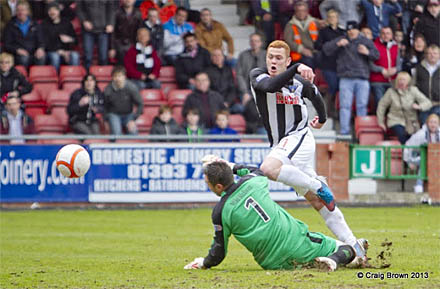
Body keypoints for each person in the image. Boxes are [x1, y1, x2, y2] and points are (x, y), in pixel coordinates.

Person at [249, 40, 368, 265]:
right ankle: (354, 245)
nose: (273, 61)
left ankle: (318, 185)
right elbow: (269, 88)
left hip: (299, 136)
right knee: (317, 202)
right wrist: (296, 69)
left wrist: (321, 119)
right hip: (281, 143)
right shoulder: (258, 75)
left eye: (278, 58)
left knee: (268, 168)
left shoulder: (297, 83)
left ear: (287, 60)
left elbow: (315, 94)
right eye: (270, 57)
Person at [184, 160, 356, 271]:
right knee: (347, 249)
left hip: (272, 263)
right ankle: (334, 260)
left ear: (219, 187)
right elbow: (253, 169)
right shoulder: (255, 180)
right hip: (298, 243)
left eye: (208, 183)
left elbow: (219, 252)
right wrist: (231, 166)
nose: (207, 186)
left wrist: (204, 263)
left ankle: (323, 262)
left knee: (308, 262)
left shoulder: (220, 212)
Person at [323, 21, 379, 135]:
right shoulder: (342, 39)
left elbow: (377, 55)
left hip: (362, 78)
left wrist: (367, 52)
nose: (351, 32)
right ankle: (344, 132)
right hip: (346, 77)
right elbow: (326, 49)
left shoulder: (365, 41)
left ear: (358, 30)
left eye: (353, 30)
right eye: (349, 30)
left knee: (362, 106)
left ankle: (361, 132)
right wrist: (337, 44)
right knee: (344, 106)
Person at [377, 71, 432, 144]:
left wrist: (419, 106)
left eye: (404, 80)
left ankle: (409, 153)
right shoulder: (391, 91)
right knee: (402, 135)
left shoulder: (413, 90)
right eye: (400, 80)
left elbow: (428, 103)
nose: (401, 82)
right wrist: (380, 122)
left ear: (408, 81)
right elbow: (382, 105)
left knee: (416, 137)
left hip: (411, 122)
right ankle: (406, 153)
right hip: (395, 120)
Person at [314, 9, 345, 118]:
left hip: (340, 64)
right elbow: (317, 46)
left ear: (337, 18)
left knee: (338, 88)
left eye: (334, 16)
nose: (332, 19)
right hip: (327, 63)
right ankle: (329, 110)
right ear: (327, 19)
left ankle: (333, 109)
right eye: (330, 17)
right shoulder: (323, 31)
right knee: (333, 86)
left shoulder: (342, 32)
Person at [236, 33, 266, 134]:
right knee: (245, 107)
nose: (254, 43)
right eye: (252, 41)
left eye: (257, 41)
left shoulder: (267, 56)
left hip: (262, 90)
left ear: (261, 43)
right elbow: (239, 75)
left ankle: (259, 129)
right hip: (247, 90)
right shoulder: (243, 55)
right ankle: (251, 129)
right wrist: (244, 92)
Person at [76, 0, 118, 69]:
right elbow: (79, 9)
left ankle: (102, 76)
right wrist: (84, 21)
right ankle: (88, 77)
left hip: (103, 30)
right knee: (88, 57)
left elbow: (111, 9)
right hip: (88, 31)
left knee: (103, 57)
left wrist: (111, 23)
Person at [404, 113, 440, 193]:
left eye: (435, 122)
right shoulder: (421, 134)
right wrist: (409, 161)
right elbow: (408, 145)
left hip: (436, 160)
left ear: (438, 124)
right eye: (431, 122)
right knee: (425, 161)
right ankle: (419, 185)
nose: (433, 124)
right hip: (419, 158)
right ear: (427, 123)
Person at [3, 0, 46, 67]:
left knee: (41, 57)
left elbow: (41, 40)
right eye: (18, 10)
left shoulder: (35, 24)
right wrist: (17, 50)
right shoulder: (10, 25)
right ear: (15, 12)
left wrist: (40, 48)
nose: (20, 12)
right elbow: (7, 44)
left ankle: (38, 77)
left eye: (23, 10)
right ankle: (23, 77)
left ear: (28, 11)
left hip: (34, 52)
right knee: (24, 58)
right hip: (18, 53)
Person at [104, 66, 143, 135]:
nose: (118, 78)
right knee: (116, 133)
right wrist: (105, 120)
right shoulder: (108, 89)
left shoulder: (131, 87)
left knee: (133, 132)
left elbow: (140, 104)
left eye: (120, 76)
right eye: (115, 76)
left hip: (128, 115)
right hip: (113, 114)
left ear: (124, 77)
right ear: (112, 78)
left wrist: (133, 119)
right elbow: (105, 106)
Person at [41, 2, 79, 71]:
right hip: (51, 52)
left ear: (59, 11)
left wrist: (70, 39)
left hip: (66, 52)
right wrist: (59, 51)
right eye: (50, 10)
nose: (52, 12)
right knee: (55, 57)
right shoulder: (44, 24)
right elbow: (44, 43)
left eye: (54, 10)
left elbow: (76, 40)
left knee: (75, 55)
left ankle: (73, 78)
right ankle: (55, 79)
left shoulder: (66, 22)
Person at [369, 27, 401, 108]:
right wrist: (382, 70)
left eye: (388, 33)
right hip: (378, 81)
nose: (385, 35)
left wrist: (395, 70)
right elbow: (370, 64)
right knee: (380, 103)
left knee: (393, 105)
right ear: (380, 35)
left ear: (391, 35)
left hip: (393, 81)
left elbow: (399, 65)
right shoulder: (374, 45)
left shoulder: (395, 47)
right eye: (383, 33)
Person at [283, 1, 318, 68]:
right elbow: (288, 41)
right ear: (295, 12)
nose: (301, 13)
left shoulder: (315, 22)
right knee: (308, 62)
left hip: (314, 51)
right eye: (299, 11)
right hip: (299, 54)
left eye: (303, 10)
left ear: (307, 11)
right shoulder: (290, 25)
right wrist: (302, 49)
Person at [205, 49, 241, 114]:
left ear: (223, 57)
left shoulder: (228, 69)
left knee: (240, 108)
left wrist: (227, 102)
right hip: (214, 105)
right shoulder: (207, 71)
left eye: (219, 55)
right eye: (215, 56)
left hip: (228, 104)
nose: (217, 58)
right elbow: (207, 90)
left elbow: (233, 89)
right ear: (211, 58)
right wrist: (219, 103)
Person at [110, 0, 144, 65]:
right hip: (119, 45)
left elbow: (140, 32)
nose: (128, 0)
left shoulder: (139, 13)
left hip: (134, 44)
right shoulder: (116, 13)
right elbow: (113, 32)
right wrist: (112, 48)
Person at [414, 44, 440, 124]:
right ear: (426, 55)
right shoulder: (418, 68)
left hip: (438, 104)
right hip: (423, 104)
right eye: (429, 53)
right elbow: (413, 85)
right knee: (425, 130)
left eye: (435, 53)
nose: (432, 55)